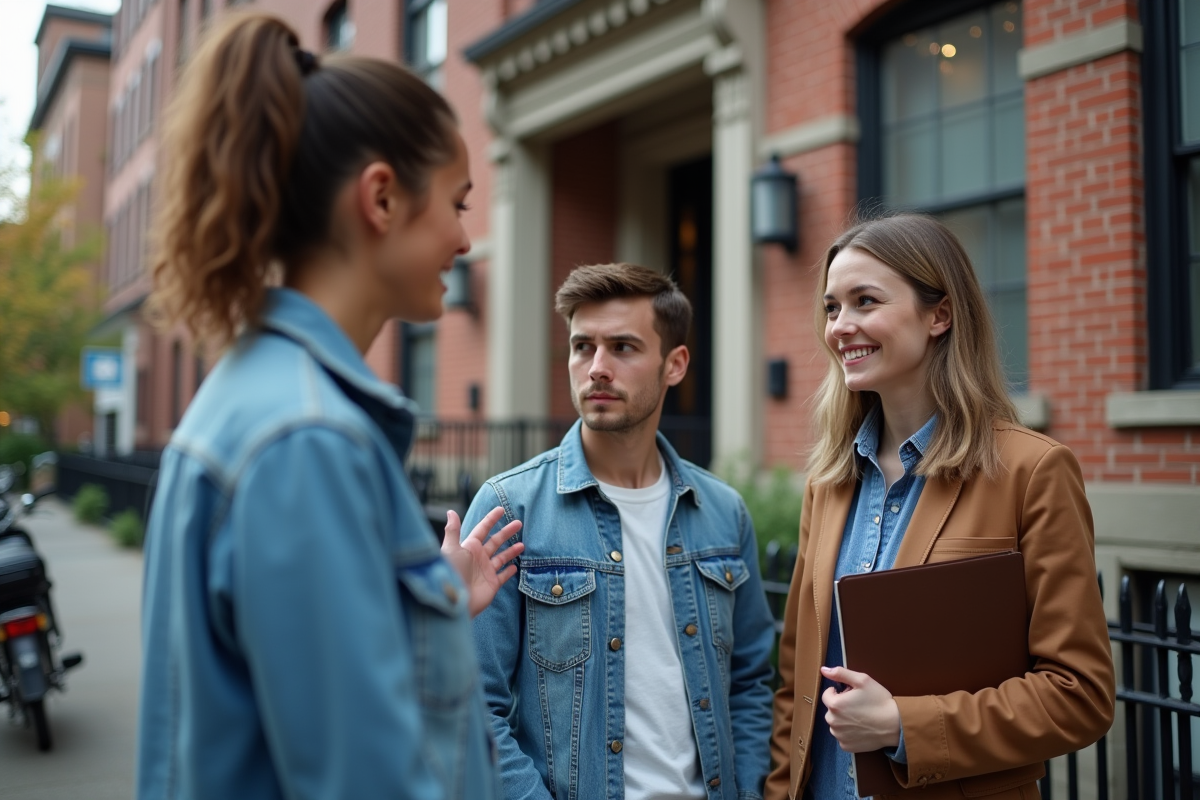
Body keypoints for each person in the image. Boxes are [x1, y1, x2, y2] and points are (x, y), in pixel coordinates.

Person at [136, 13, 524, 799]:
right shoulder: (306, 441)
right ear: (381, 198)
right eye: (456, 201)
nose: (464, 236)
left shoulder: (264, 404)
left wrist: (434, 604)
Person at [766, 214, 1116, 800]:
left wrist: (906, 725)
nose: (840, 327)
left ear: (940, 315)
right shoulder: (827, 483)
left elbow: (1079, 694)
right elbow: (795, 685)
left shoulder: (1031, 472)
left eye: (865, 301)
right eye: (831, 308)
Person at [463, 263, 777, 800]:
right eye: (582, 347)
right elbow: (472, 707)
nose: (597, 368)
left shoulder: (724, 512)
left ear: (674, 364)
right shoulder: (508, 508)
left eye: (623, 348)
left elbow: (750, 684)